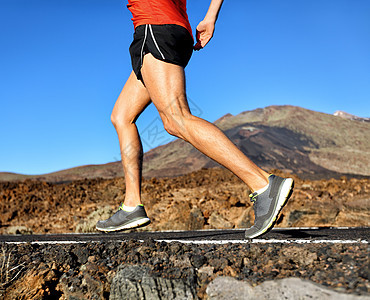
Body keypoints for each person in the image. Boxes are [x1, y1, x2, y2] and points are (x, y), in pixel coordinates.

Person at [96, 0, 294, 239]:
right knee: (121, 116)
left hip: (155, 28)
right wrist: (211, 17)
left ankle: (263, 184)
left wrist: (210, 18)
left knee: (175, 118)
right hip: (169, 31)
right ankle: (131, 205)